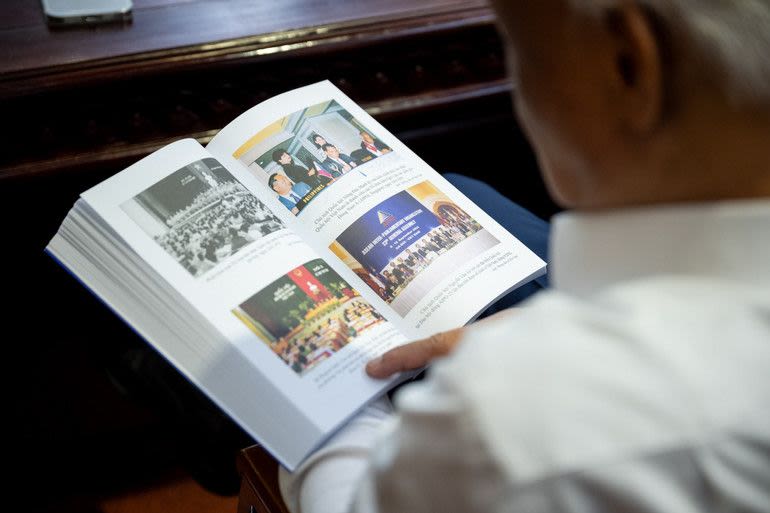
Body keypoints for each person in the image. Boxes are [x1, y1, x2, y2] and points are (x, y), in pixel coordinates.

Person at [279, 0, 770, 512]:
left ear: (626, 63)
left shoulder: (504, 414)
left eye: (515, 47)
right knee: (461, 189)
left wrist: (323, 398)